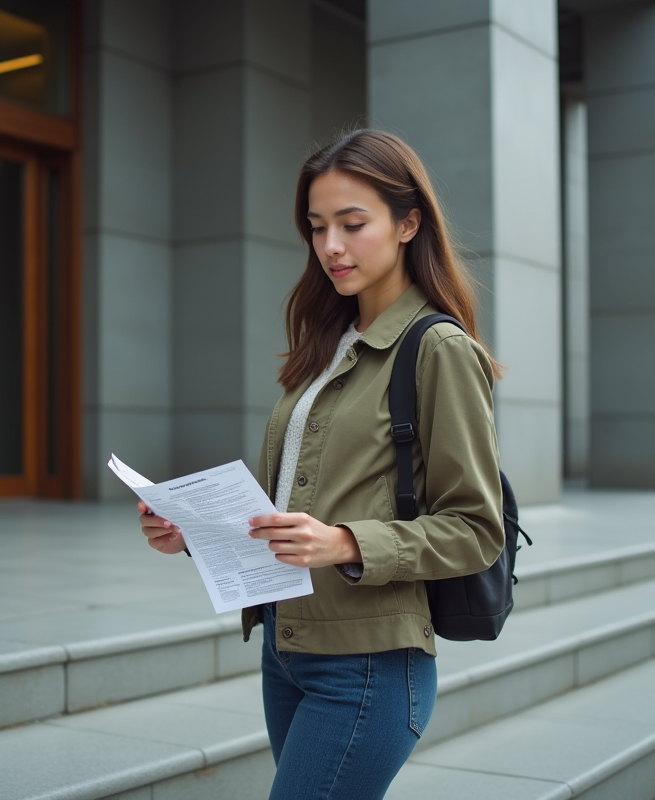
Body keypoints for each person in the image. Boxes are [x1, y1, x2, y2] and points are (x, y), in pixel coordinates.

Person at [138, 130, 505, 799]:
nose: (331, 246)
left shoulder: (437, 349)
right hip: (286, 646)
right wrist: (196, 533)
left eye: (352, 224)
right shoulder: (328, 344)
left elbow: (476, 530)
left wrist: (343, 542)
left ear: (408, 223)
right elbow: (287, 507)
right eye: (316, 226)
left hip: (367, 664)